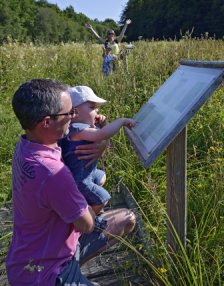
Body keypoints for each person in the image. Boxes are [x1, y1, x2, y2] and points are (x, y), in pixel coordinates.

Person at [8, 79, 136, 286]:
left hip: (31, 256)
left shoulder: (28, 144)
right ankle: (72, 275)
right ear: (47, 122)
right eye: (69, 113)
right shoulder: (53, 174)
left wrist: (101, 143)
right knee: (97, 217)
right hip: (45, 274)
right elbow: (87, 225)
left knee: (127, 219)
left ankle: (76, 266)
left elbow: (79, 140)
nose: (73, 117)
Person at [58, 85, 137, 216]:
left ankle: (87, 204)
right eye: (92, 107)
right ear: (76, 112)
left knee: (101, 176)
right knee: (103, 198)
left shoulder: (80, 127)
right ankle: (89, 221)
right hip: (79, 181)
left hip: (84, 173)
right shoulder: (77, 129)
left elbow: (101, 134)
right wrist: (121, 121)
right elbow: (102, 135)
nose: (97, 110)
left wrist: (104, 124)